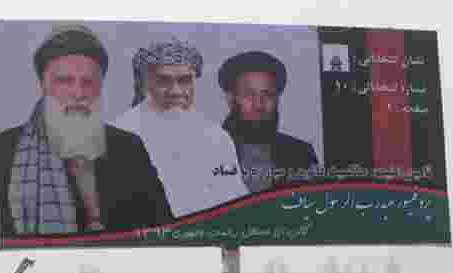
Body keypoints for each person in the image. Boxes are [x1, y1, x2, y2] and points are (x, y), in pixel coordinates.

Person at [0, 24, 174, 237]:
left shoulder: (128, 147)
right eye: (65, 81)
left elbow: (163, 230)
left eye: (88, 81)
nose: (78, 93)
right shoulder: (4, 150)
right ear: (42, 85)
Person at [113, 39, 248, 218]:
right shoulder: (121, 134)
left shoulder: (216, 137)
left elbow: (234, 201)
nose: (176, 91)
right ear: (145, 83)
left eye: (185, 81)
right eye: (164, 81)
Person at [217, 51, 320, 193]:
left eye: (268, 95)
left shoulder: (301, 155)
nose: (259, 105)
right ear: (231, 99)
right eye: (249, 95)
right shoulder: (208, 150)